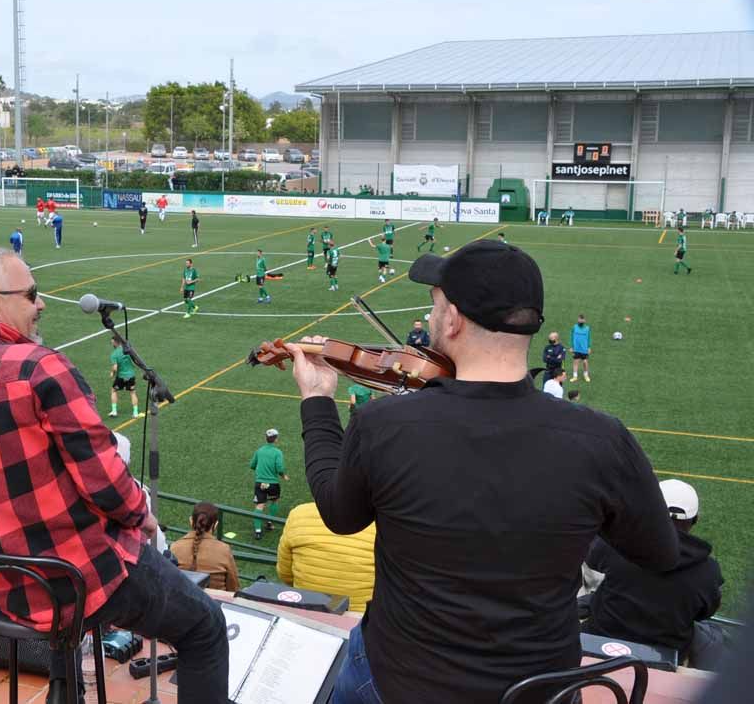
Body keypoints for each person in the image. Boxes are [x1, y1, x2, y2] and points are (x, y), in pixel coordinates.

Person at [284, 239, 678, 704]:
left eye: (434, 307)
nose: (431, 318)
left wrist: (317, 401)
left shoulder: (383, 425)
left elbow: (338, 514)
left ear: (451, 320)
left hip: (397, 682)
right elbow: (659, 553)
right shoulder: (601, 440)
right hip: (539, 689)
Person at [0, 247, 228, 703]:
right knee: (205, 627)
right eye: (33, 294)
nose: (41, 304)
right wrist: (143, 516)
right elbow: (106, 482)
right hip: (77, 578)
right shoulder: (39, 366)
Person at [583, 479, 724, 669]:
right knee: (713, 634)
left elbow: (591, 561)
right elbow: (704, 612)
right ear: (694, 520)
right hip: (665, 658)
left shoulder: (615, 544)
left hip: (600, 643)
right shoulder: (709, 570)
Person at [277, 502, 376, 613]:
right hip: (360, 620)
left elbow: (285, 573)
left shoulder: (299, 514)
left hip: (305, 611)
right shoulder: (387, 523)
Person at [169, 502, 239, 592]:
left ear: (191, 521)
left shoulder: (175, 547)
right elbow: (233, 588)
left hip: (181, 603)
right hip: (215, 604)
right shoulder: (224, 550)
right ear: (216, 525)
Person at [250, 428, 288, 540]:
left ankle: (258, 531)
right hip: (273, 484)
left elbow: (252, 465)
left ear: (266, 438)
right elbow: (279, 467)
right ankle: (270, 521)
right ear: (276, 439)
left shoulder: (259, 451)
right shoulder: (277, 452)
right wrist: (283, 475)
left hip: (259, 483)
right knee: (274, 500)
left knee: (259, 505)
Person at [108, 336, 141, 418]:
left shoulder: (114, 354)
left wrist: (112, 372)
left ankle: (114, 411)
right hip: (131, 375)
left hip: (121, 376)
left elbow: (115, 367)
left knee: (114, 391)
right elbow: (136, 360)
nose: (112, 343)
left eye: (112, 342)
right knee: (132, 393)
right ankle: (135, 412)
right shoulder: (129, 350)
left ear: (116, 342)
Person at [570, 313, 592, 382]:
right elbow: (571, 337)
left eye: (582, 320)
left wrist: (589, 347)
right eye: (579, 319)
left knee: (585, 362)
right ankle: (575, 376)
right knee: (576, 362)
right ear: (578, 320)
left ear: (584, 320)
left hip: (584, 349)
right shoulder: (574, 327)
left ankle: (586, 375)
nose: (580, 321)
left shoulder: (587, 328)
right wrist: (571, 347)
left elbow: (589, 338)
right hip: (576, 348)